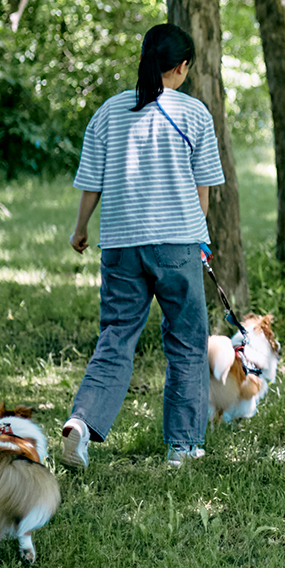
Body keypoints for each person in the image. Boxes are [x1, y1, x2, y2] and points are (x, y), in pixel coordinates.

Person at [63, 24, 224, 469]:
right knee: (187, 342)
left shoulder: (109, 112)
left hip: (119, 245)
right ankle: (182, 446)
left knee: (115, 337)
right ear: (182, 66)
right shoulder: (195, 114)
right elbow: (203, 192)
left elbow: (90, 183)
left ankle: (81, 422)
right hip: (177, 244)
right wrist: (196, 236)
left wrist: (80, 229)